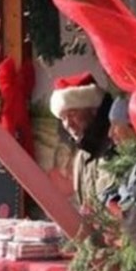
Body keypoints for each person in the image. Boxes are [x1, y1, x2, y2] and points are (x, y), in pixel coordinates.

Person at [49, 72, 115, 210]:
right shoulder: (81, 157)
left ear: (93, 110)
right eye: (63, 118)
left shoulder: (117, 148)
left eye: (72, 115)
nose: (68, 124)